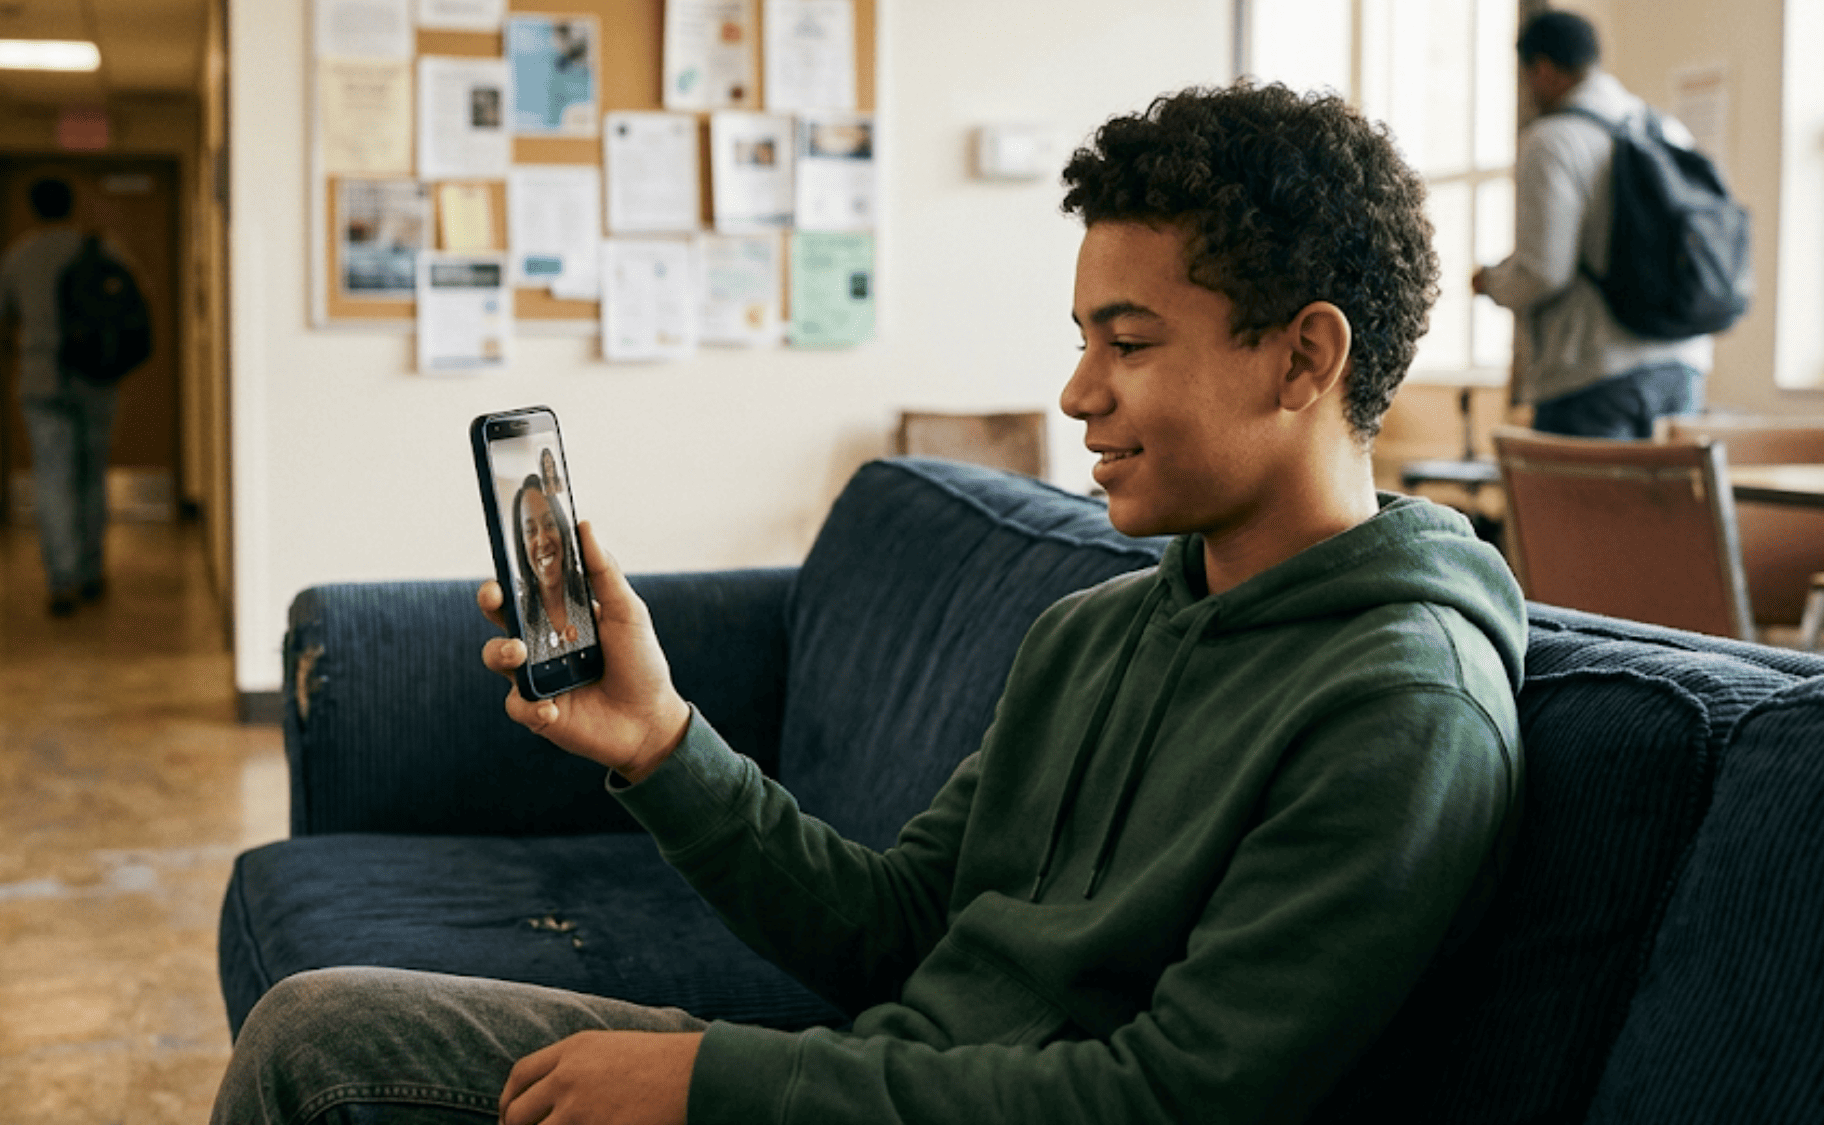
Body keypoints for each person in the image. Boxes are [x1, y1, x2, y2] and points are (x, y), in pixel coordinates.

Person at [212, 82, 1525, 1125]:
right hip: (876, 1079)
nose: (1077, 394)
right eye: (1081, 340)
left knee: (325, 1062)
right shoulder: (1096, 629)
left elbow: (1170, 1100)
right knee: (323, 1028)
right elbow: (895, 933)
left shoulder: (1401, 712)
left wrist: (718, 1087)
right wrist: (663, 745)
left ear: (1303, 357)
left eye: (1127, 344)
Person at [1472, 9, 1712, 439]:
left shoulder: (1551, 140)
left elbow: (1544, 271)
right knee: (1664, 488)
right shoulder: (1664, 127)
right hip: (1683, 367)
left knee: (1568, 489)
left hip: (1594, 378)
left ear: (1542, 69)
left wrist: (1491, 283)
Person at [0, 177, 133, 616]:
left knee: (52, 477)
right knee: (92, 475)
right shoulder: (100, 250)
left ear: (34, 208)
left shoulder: (17, 256)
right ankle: (92, 571)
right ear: (72, 206)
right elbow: (130, 306)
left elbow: (2, 319)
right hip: (95, 379)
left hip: (40, 382)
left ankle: (62, 579)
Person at [510, 473, 594, 657]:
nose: (542, 540)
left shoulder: (593, 596)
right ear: (522, 546)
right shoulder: (518, 616)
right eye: (530, 531)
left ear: (563, 530)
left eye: (549, 524)